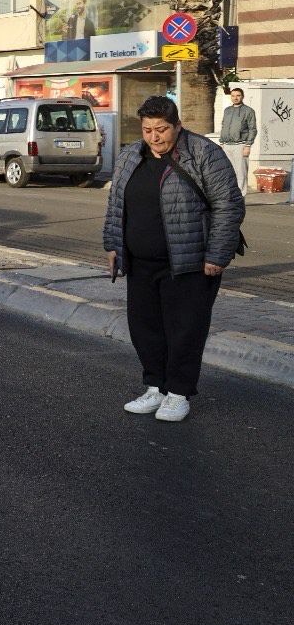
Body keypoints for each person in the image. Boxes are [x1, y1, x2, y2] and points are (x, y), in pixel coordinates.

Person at [104, 95, 245, 423]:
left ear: (177, 125)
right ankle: (155, 388)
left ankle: (178, 393)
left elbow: (229, 205)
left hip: (189, 263)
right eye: (148, 129)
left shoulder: (203, 153)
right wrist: (114, 244)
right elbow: (116, 205)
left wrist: (217, 254)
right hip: (141, 263)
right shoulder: (130, 155)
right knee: (145, 328)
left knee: (185, 329)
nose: (155, 136)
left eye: (162, 129)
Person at [217, 87, 257, 195]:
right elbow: (224, 126)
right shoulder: (227, 110)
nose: (235, 98)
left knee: (241, 173)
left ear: (242, 97)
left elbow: (252, 129)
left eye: (238, 95)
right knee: (228, 172)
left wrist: (248, 145)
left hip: (240, 145)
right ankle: (231, 196)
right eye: (233, 96)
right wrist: (221, 143)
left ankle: (241, 197)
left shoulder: (248, 111)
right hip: (226, 145)